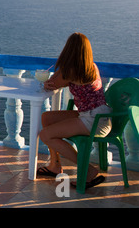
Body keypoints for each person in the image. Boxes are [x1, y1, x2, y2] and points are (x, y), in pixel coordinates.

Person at [37, 32, 112, 189]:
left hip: (93, 120)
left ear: (68, 49)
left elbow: (52, 83)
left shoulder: (73, 71)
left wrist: (62, 62)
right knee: (47, 118)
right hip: (98, 115)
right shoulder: (90, 66)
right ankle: (55, 166)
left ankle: (89, 170)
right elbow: (58, 79)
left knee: (45, 135)